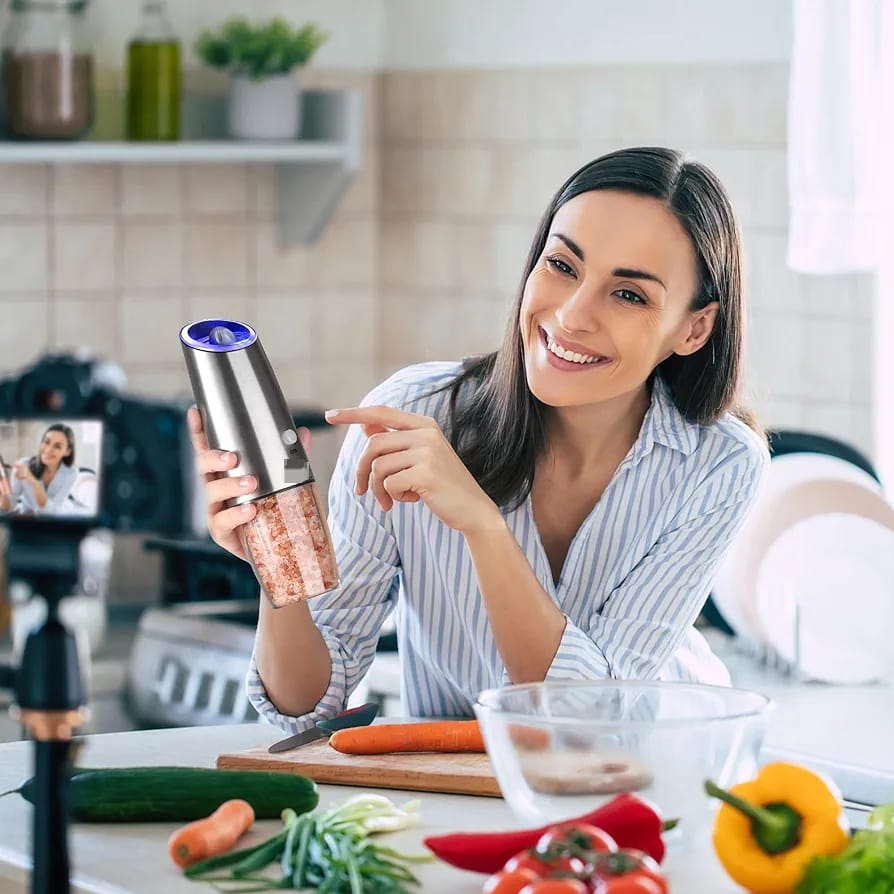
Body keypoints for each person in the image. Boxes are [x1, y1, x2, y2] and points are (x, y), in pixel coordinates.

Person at [189, 146, 770, 734]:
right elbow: (306, 708)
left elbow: (586, 716)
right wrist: (277, 565)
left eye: (628, 294)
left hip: (652, 783)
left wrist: (482, 525)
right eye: (562, 266)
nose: (570, 317)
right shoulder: (414, 415)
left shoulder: (718, 463)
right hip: (452, 797)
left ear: (694, 329)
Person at [0, 423, 79, 517]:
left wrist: (33, 482)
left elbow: (51, 512)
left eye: (57, 446)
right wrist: (4, 493)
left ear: (67, 452)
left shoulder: (71, 473)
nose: (49, 449)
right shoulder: (23, 465)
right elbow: (8, 508)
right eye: (46, 442)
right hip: (27, 518)